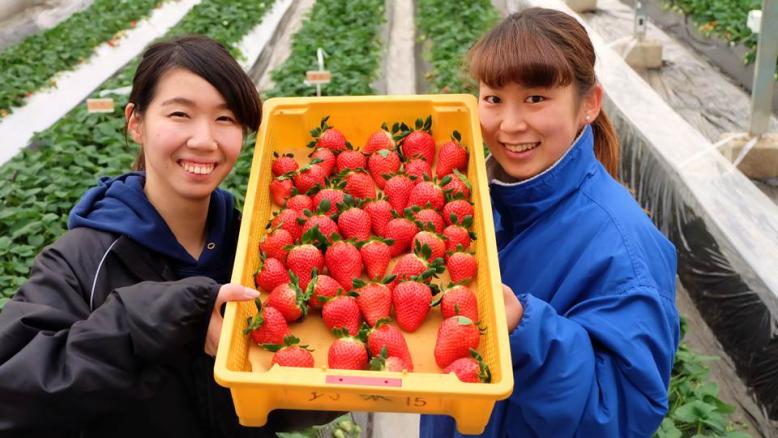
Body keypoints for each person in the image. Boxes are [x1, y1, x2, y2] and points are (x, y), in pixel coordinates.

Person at [0, 35, 337, 437]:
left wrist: (322, 390)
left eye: (225, 118)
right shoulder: (81, 262)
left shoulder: (258, 248)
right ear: (136, 123)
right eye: (180, 114)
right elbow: (12, 397)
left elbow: (270, 406)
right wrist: (146, 319)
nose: (204, 139)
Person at [421, 8, 679, 437]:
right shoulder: (476, 201)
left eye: (536, 98)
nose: (510, 124)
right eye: (494, 98)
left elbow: (621, 415)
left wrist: (524, 328)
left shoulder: (625, 247)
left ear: (589, 104)